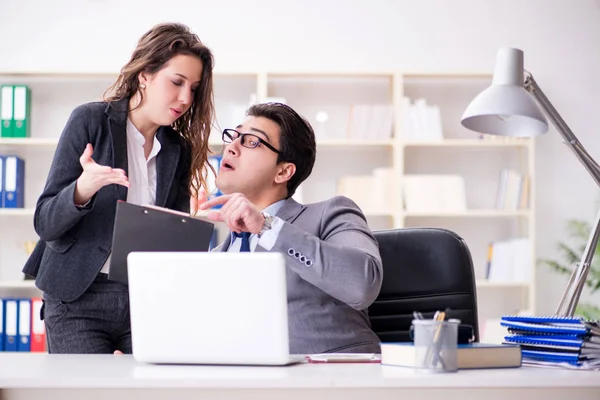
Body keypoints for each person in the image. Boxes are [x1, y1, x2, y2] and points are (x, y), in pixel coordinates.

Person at [22, 22, 215, 354]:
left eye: (194, 88)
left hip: (144, 298)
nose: (185, 98)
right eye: (177, 82)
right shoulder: (90, 120)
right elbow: (45, 222)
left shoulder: (177, 149)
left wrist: (196, 225)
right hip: (77, 298)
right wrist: (82, 189)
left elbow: (172, 234)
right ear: (144, 75)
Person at [199, 102, 383, 354]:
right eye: (235, 136)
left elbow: (362, 285)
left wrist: (266, 226)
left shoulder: (329, 214)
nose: (231, 147)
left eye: (251, 141)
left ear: (283, 171)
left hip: (331, 382)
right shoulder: (219, 254)